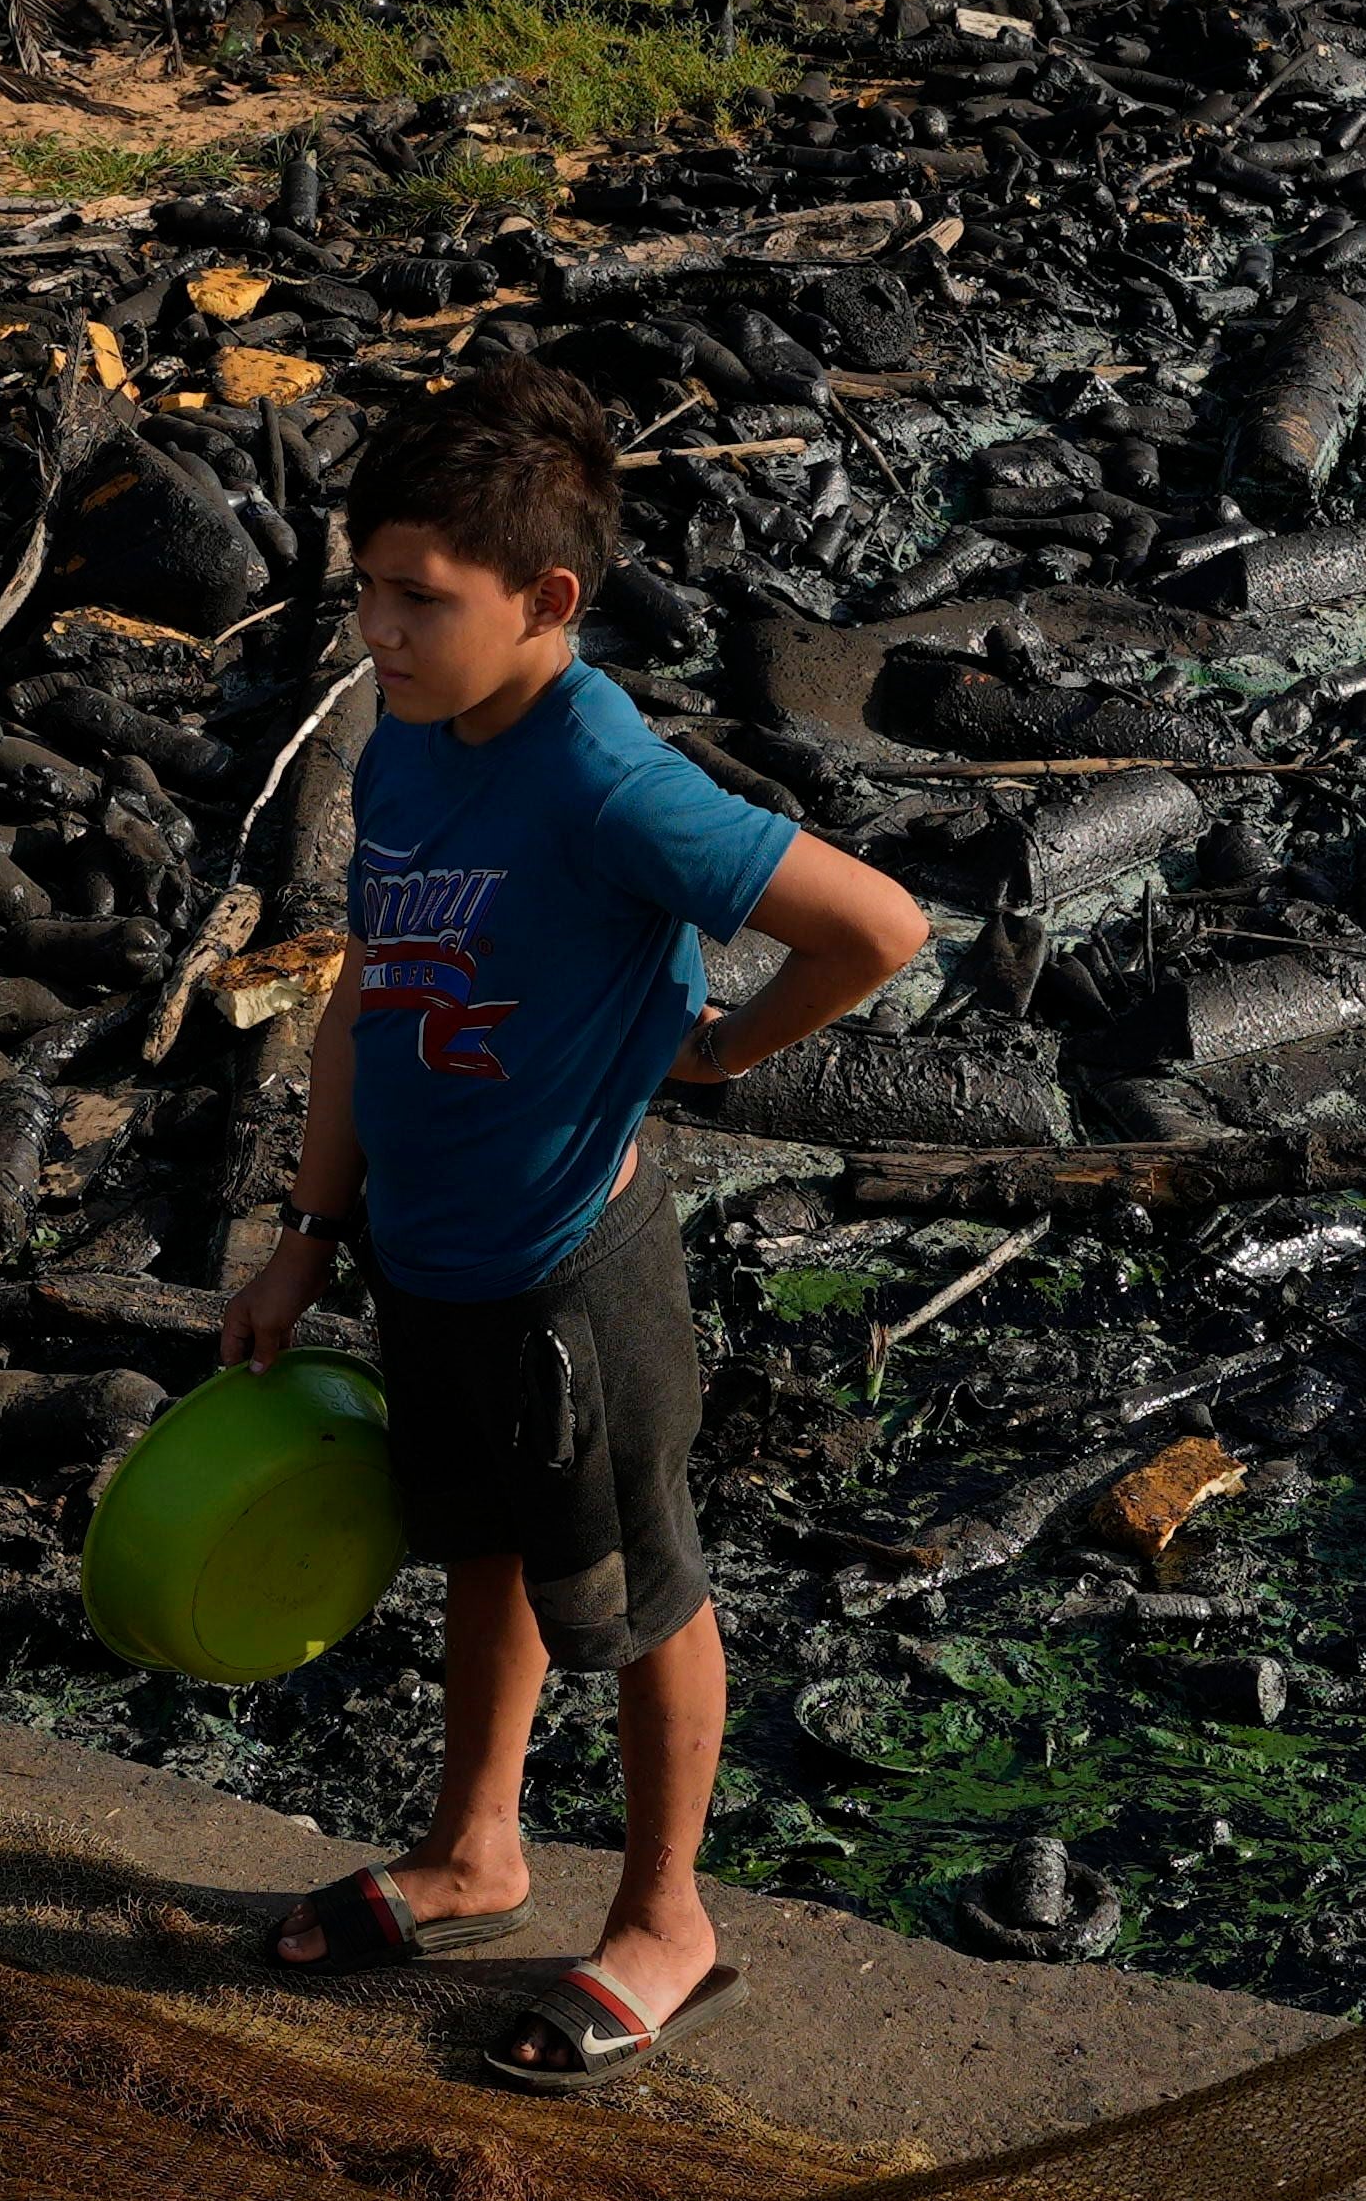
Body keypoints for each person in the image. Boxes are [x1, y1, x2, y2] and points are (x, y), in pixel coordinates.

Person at [216, 360, 931, 2089]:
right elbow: (369, 987)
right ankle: (478, 1851)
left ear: (547, 601)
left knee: (637, 1594)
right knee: (488, 1551)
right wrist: (312, 1225)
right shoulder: (407, 745)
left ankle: (669, 1919)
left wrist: (707, 1055)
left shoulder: (605, 782)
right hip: (429, 1256)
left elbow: (878, 926)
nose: (376, 633)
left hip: (566, 1282)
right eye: (368, 590)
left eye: (419, 601)